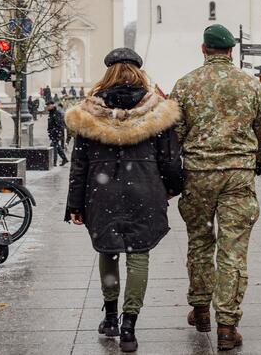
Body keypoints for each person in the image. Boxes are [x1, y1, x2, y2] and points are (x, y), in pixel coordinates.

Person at [65, 48, 183, 353]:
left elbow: (80, 164)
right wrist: (170, 188)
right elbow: (170, 160)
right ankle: (129, 326)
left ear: (109, 73)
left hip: (101, 192)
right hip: (144, 189)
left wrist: (75, 205)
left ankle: (110, 317)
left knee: (109, 250)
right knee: (139, 254)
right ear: (138, 72)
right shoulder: (157, 110)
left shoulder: (90, 111)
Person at [170, 24, 261, 351]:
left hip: (198, 174)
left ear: (204, 49)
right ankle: (227, 326)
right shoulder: (249, 84)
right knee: (233, 248)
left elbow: (174, 132)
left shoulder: (185, 85)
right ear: (231, 50)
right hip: (238, 175)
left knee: (200, 241)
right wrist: (259, 158)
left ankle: (201, 311)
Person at [46, 100, 68, 166]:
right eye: (47, 106)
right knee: (56, 146)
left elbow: (59, 125)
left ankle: (54, 162)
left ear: (53, 105)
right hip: (54, 133)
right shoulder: (51, 113)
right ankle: (64, 159)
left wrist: (54, 131)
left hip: (56, 133)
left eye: (48, 106)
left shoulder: (56, 113)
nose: (47, 107)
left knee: (54, 146)